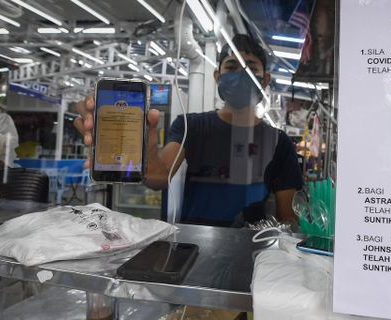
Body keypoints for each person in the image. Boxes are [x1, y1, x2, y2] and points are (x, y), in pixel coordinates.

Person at [75, 34, 302, 227]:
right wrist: (142, 150)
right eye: (232, 67)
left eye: (251, 68)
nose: (240, 75)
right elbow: (158, 178)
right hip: (194, 249)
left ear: (265, 80)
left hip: (253, 250)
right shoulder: (191, 126)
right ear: (217, 76)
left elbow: (288, 217)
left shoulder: (279, 142)